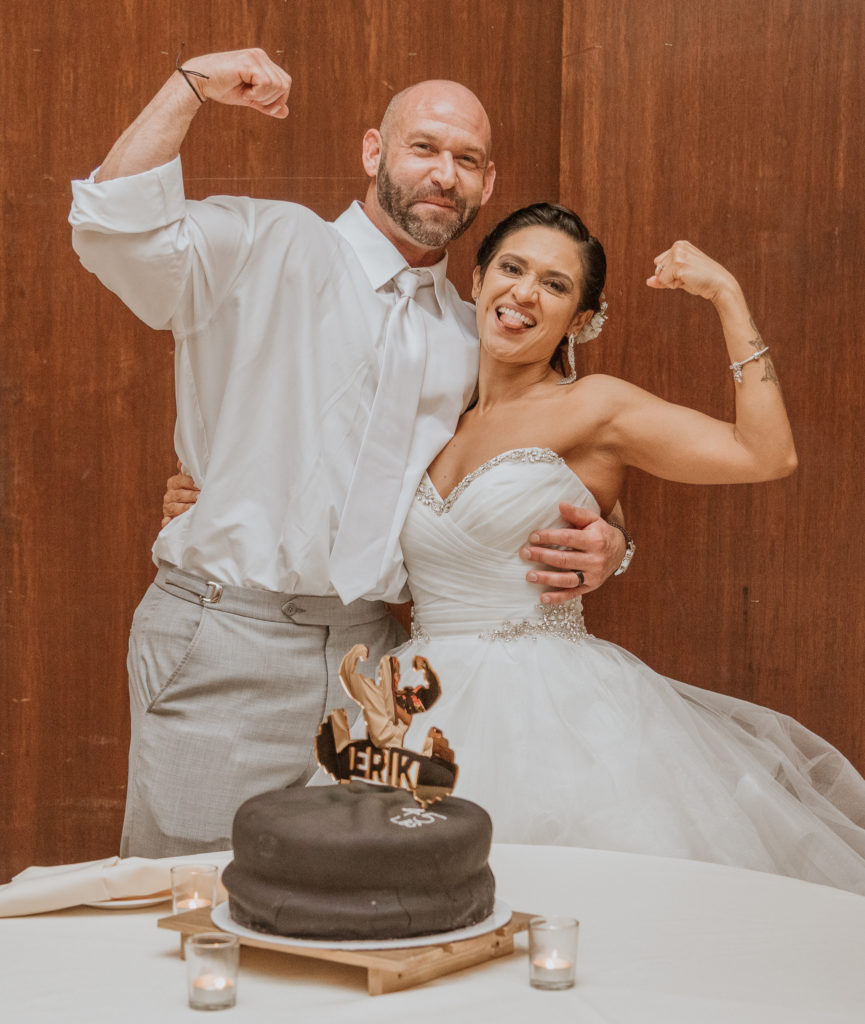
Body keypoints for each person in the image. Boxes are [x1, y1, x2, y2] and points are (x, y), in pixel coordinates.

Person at [68, 49, 628, 858]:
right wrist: (191, 85)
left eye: (464, 160)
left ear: (487, 182)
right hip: (230, 637)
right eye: (423, 147)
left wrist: (612, 541)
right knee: (185, 901)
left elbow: (557, 442)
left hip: (381, 667)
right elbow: (112, 225)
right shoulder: (269, 245)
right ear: (374, 152)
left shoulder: (479, 331)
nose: (443, 174)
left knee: (350, 909)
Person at [324, 202, 865, 894]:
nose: (523, 293)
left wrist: (726, 297)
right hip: (412, 706)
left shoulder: (595, 405)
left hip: (551, 708)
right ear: (479, 279)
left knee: (562, 906)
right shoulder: (436, 414)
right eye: (512, 269)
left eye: (554, 285)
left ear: (579, 319)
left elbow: (764, 454)